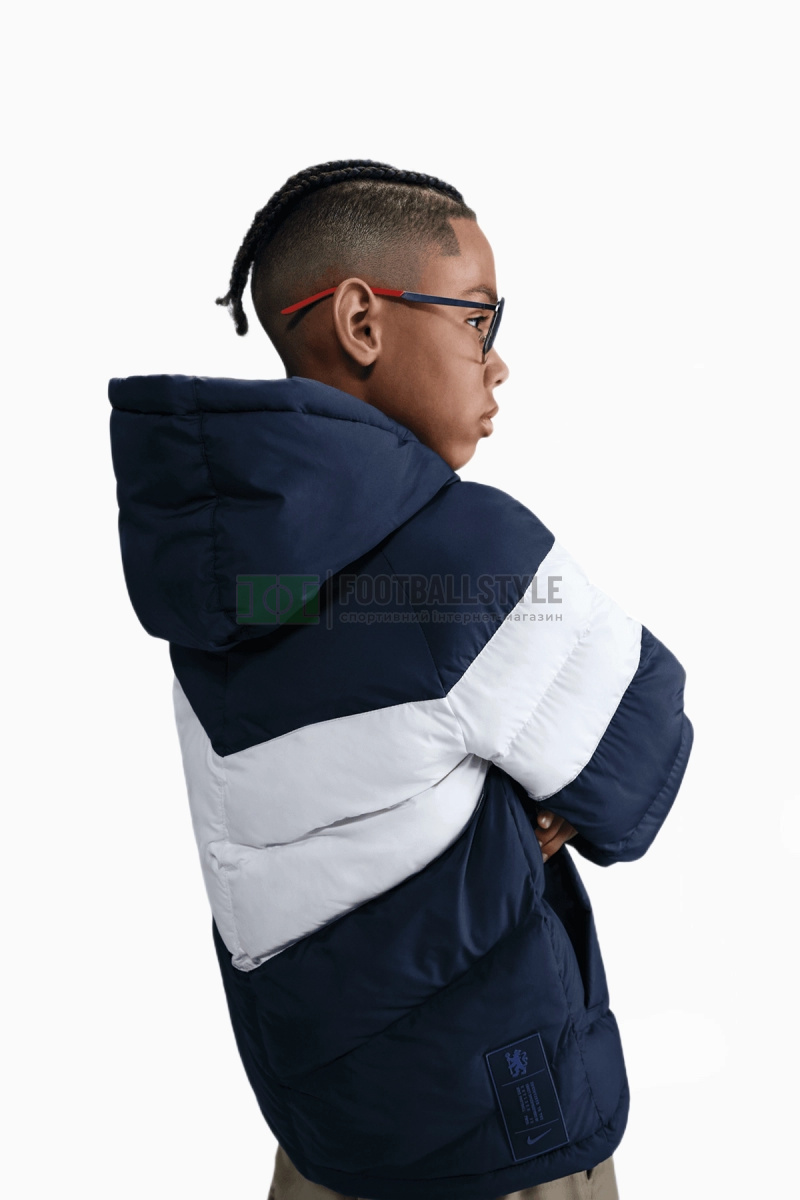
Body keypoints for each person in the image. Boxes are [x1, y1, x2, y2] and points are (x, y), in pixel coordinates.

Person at [108, 159, 693, 1200]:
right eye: (476, 316)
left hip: (323, 1144)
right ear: (362, 322)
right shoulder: (468, 557)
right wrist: (523, 801)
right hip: (501, 1145)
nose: (498, 362)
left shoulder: (210, 578)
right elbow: (643, 756)